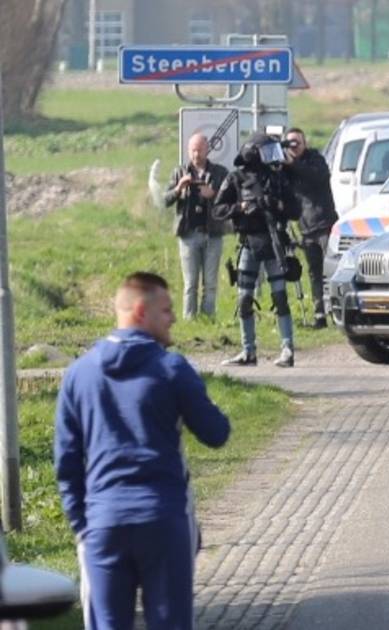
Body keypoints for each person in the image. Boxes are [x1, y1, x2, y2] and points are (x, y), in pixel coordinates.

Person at [54, 272, 231, 630]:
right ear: (139, 311)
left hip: (102, 523)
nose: (174, 319)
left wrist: (82, 526)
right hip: (164, 518)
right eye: (166, 310)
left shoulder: (78, 374)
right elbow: (216, 433)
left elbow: (67, 461)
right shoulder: (171, 368)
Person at [213, 132, 301, 367]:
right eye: (267, 151)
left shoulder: (278, 178)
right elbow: (218, 209)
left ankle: (287, 349)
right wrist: (241, 207)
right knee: (244, 299)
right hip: (248, 243)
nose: (273, 157)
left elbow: (296, 210)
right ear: (253, 154)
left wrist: (277, 205)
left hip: (274, 243)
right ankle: (248, 351)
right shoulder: (236, 178)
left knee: (280, 296)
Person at [163, 133, 229, 319]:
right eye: (193, 150)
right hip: (188, 233)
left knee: (210, 282)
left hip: (212, 233)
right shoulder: (179, 172)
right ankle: (189, 319)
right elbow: (165, 200)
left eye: (199, 149)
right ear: (188, 150)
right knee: (190, 283)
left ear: (207, 150)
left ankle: (208, 317)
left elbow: (231, 200)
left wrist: (213, 195)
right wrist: (178, 189)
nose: (196, 154)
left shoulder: (219, 173)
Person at [282, 127, 339, 329]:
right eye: (290, 143)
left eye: (297, 142)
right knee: (314, 273)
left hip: (324, 224)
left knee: (331, 271)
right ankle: (319, 315)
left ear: (305, 143)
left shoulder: (315, 159)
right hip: (305, 228)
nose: (294, 147)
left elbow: (317, 178)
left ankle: (338, 312)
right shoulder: (286, 168)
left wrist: (293, 164)